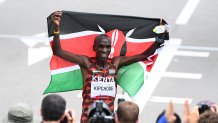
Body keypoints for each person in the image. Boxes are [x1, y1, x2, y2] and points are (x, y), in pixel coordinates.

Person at [51, 11, 165, 123]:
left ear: (111, 48)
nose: (104, 50)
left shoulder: (115, 63)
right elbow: (58, 51)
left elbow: (144, 55)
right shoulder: (86, 63)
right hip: (88, 119)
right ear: (94, 48)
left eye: (107, 47)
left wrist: (159, 37)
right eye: (101, 47)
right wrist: (56, 29)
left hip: (108, 119)